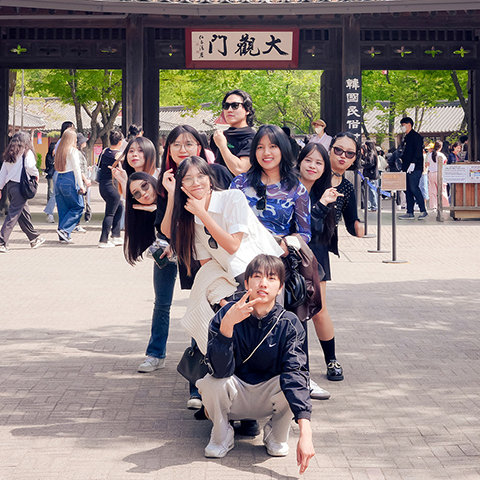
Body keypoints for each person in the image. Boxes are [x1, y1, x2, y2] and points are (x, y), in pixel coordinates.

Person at [168, 156, 284, 414]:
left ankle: (290, 392)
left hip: (262, 275)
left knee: (265, 343)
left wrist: (202, 213)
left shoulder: (232, 198)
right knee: (231, 339)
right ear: (181, 186)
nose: (195, 182)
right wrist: (222, 295)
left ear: (210, 179)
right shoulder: (190, 218)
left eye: (200, 176)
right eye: (187, 178)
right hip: (234, 280)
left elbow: (233, 245)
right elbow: (208, 263)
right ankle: (238, 410)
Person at [198, 254, 315, 474]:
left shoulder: (289, 324)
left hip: (269, 396)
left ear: (280, 288)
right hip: (235, 392)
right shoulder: (226, 314)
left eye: (271, 278)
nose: (263, 283)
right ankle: (222, 434)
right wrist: (227, 328)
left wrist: (306, 434)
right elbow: (219, 371)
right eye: (257, 276)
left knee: (296, 383)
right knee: (211, 383)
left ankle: (276, 434)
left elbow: (296, 375)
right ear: (246, 283)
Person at [137, 125, 232, 380]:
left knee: (200, 303)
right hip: (169, 249)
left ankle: (197, 368)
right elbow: (165, 228)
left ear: (199, 147)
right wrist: (169, 194)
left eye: (189, 144)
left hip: (203, 251)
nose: (182, 149)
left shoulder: (215, 174)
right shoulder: (165, 178)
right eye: (176, 144)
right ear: (168, 148)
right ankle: (155, 353)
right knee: (162, 302)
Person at [297, 142, 346, 386]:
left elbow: (317, 231)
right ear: (299, 162)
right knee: (294, 313)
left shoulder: (326, 193)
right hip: (289, 254)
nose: (313, 166)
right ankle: (296, 366)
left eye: (319, 162)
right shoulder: (286, 189)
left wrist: (324, 204)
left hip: (316, 253)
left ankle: (332, 359)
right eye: (308, 160)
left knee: (318, 310)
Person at [230, 124, 311, 246]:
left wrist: (286, 245)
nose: (266, 152)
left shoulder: (297, 189)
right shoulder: (240, 183)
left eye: (273, 146)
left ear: (283, 149)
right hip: (242, 254)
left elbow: (305, 234)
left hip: (278, 256)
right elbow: (227, 220)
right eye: (260, 147)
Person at [0, 131, 45, 253]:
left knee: (24, 214)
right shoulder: (26, 152)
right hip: (20, 187)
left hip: (10, 187)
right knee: (14, 214)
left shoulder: (9, 154)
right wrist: (36, 175)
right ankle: (2, 241)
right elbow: (30, 167)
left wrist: (0, 188)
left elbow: (3, 173)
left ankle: (33, 238)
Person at [210, 89, 256, 176]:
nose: (229, 110)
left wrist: (223, 147)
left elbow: (240, 170)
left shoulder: (253, 138)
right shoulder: (220, 136)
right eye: (226, 106)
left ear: (247, 110)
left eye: (235, 105)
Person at [54, 129, 85, 243]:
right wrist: (81, 185)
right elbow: (77, 168)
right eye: (75, 139)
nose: (76, 141)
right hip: (70, 178)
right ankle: (64, 229)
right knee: (78, 207)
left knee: (63, 209)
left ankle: (63, 235)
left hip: (59, 179)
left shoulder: (59, 151)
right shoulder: (73, 150)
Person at [44, 121, 75, 223]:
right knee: (57, 194)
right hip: (62, 170)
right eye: (72, 128)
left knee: (57, 194)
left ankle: (51, 214)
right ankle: (51, 214)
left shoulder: (61, 142)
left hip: (61, 170)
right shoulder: (62, 142)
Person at [98, 128, 124, 248]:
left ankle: (116, 235)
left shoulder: (104, 152)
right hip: (113, 187)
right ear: (120, 142)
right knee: (109, 214)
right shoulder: (118, 155)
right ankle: (103, 240)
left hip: (103, 186)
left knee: (119, 207)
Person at [398, 117, 428, 220]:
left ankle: (423, 210)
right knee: (407, 190)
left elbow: (418, 152)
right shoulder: (406, 137)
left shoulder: (416, 137)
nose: (402, 127)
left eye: (403, 125)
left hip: (415, 167)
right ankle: (409, 212)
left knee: (414, 188)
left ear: (409, 124)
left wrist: (414, 163)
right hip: (406, 167)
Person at [426, 140, 449, 211]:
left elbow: (427, 165)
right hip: (439, 173)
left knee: (432, 191)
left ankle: (433, 206)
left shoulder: (429, 155)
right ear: (441, 147)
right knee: (442, 190)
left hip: (431, 174)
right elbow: (445, 164)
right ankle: (444, 205)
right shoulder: (442, 155)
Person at [361, 140, 379, 211]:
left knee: (372, 191)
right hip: (372, 175)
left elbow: (370, 164)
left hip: (371, 175)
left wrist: (363, 164)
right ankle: (372, 205)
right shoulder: (372, 153)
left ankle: (374, 205)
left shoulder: (371, 154)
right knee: (370, 191)